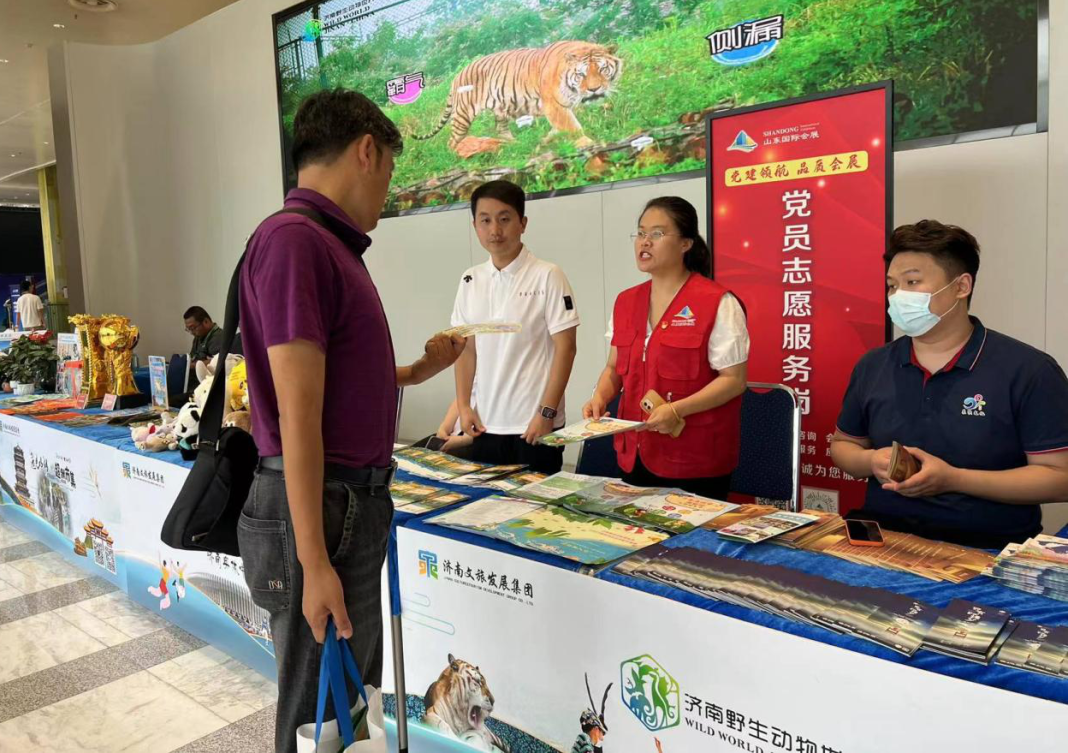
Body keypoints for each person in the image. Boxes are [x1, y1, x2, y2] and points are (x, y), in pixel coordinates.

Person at [236, 88, 465, 753]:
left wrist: (418, 370)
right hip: (323, 509)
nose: (387, 194)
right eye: (390, 171)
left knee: (348, 706)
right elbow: (298, 411)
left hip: (343, 504)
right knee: (319, 711)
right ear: (367, 151)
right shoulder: (295, 242)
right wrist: (313, 561)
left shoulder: (325, 245)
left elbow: (332, 381)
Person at [832, 220, 1068, 548]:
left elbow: (1060, 478)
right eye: (892, 286)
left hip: (987, 547)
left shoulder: (1029, 370)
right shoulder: (874, 365)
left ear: (961, 286)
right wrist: (871, 461)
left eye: (912, 282)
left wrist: (954, 480)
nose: (898, 297)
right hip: (882, 538)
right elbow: (843, 445)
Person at [583, 197, 748, 499]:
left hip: (695, 460)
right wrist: (600, 396)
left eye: (657, 234)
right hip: (634, 452)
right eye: (640, 233)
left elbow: (733, 380)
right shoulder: (626, 301)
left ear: (686, 243)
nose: (644, 242)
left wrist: (676, 410)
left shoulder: (717, 302)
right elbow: (614, 368)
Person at [452, 180, 579, 474]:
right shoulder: (470, 279)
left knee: (536, 504)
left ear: (523, 223)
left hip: (534, 426)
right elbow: (466, 349)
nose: (495, 230)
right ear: (475, 226)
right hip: (485, 424)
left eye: (504, 219)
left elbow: (566, 348)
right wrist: (464, 406)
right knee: (484, 502)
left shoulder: (548, 275)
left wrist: (546, 413)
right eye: (485, 220)